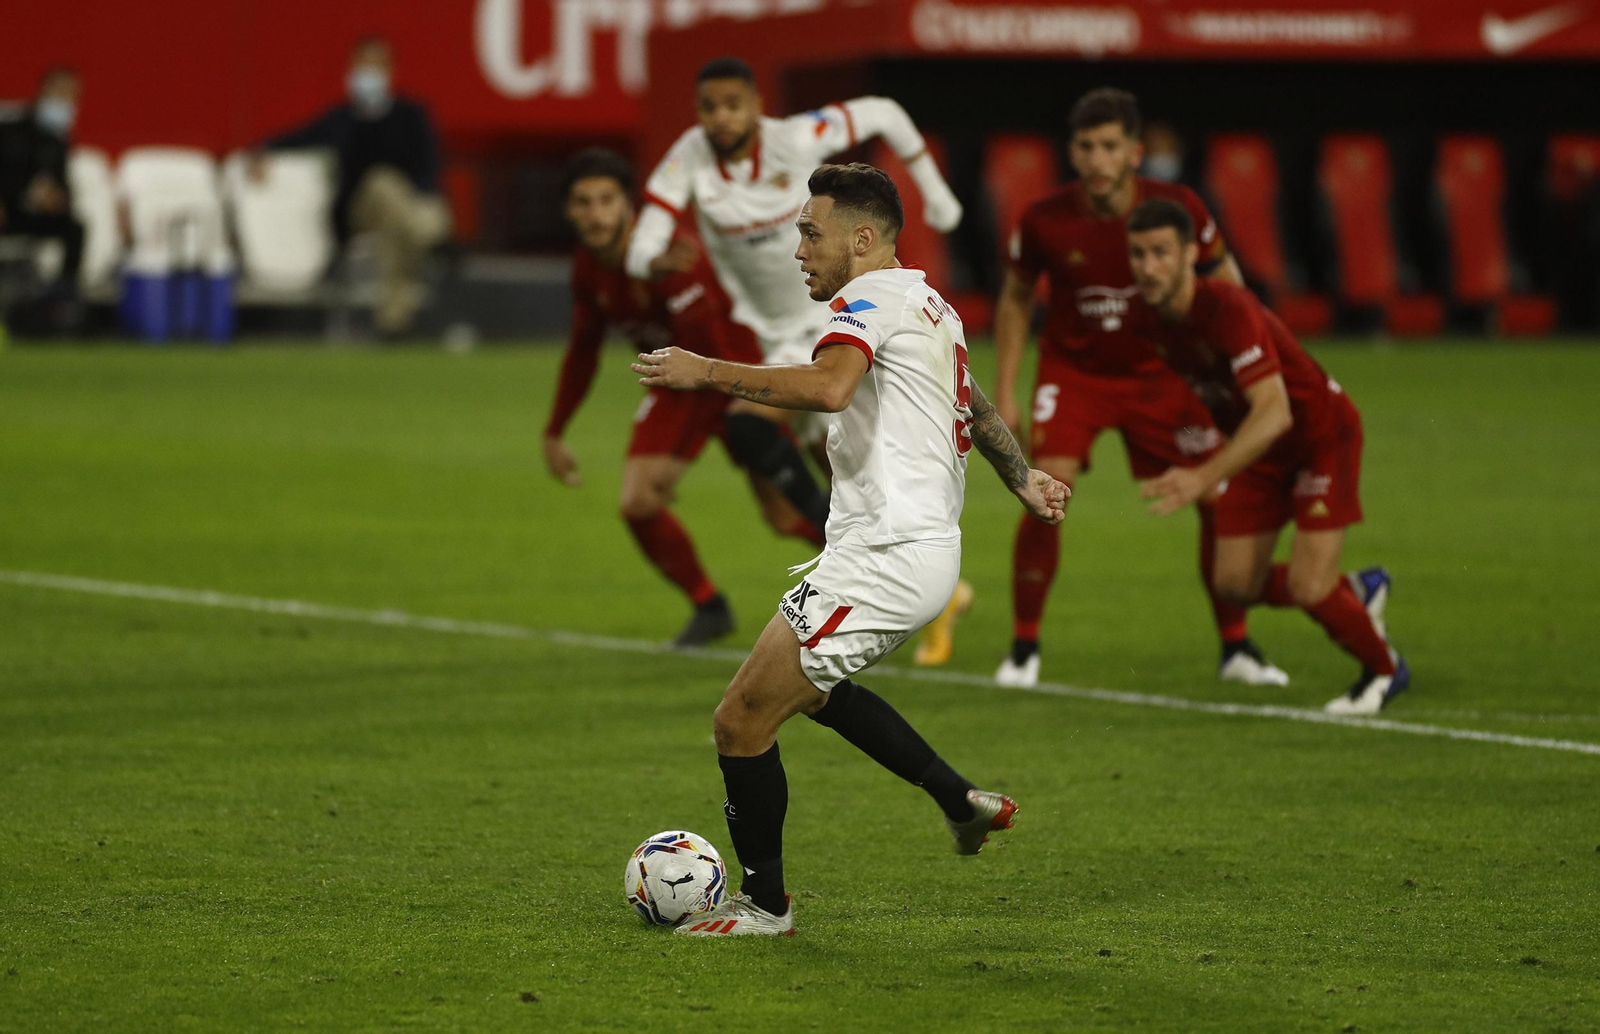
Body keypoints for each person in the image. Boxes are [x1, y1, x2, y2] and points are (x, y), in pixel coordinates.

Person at [632, 163, 1070, 936]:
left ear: (862, 240)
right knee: (816, 691)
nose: (798, 249)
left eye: (811, 232)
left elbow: (831, 388)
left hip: (888, 557)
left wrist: (704, 372)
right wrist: (1021, 476)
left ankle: (766, 906)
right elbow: (970, 402)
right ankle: (956, 797)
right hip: (890, 552)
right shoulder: (928, 303)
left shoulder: (869, 299)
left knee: (740, 720)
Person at [626, 56, 975, 667]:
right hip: (761, 337)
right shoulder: (691, 156)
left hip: (829, 322)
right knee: (819, 483)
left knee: (746, 427)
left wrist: (939, 198)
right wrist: (651, 260)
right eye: (709, 107)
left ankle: (854, 568)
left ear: (757, 104)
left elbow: (887, 112)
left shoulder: (798, 138)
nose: (722, 118)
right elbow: (643, 245)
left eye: (734, 104)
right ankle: (938, 594)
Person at [990, 87, 1286, 690]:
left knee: (1216, 494)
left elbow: (1225, 284)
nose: (1096, 158)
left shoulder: (1178, 208)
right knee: (1046, 491)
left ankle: (1237, 646)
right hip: (1076, 374)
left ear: (1135, 151)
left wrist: (1233, 369)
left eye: (1108, 146)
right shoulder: (1045, 218)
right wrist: (1007, 390)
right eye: (1085, 146)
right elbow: (1017, 299)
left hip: (1162, 374)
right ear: (1072, 152)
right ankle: (1023, 649)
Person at [1127, 198, 1405, 715]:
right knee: (1233, 583)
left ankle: (1384, 670)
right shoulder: (1148, 319)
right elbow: (1191, 395)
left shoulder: (1230, 308)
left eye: (1161, 252)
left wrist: (1204, 473)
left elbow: (1274, 412)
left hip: (1319, 437)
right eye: (1138, 254)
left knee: (1307, 585)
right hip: (1259, 452)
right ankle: (1357, 595)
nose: (1148, 266)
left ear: (1191, 254)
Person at [545, 148, 825, 647]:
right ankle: (708, 605)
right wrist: (555, 429)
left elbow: (706, 344)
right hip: (677, 382)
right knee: (638, 502)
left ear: (630, 206)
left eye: (606, 200)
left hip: (734, 377)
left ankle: (879, 574)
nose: (595, 213)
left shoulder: (678, 254)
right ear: (568, 211)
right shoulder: (589, 268)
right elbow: (583, 349)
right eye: (583, 203)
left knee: (787, 518)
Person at [252, 36, 448, 336]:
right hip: (357, 212)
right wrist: (263, 149)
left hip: (399, 211)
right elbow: (299, 138)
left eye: (376, 66)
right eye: (363, 66)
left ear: (390, 71)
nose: (369, 74)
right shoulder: (341, 118)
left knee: (395, 223)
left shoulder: (411, 116)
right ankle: (428, 233)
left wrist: (420, 194)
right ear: (352, 70)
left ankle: (394, 321)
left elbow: (429, 167)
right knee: (384, 185)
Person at [0, 66, 85, 326]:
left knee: (74, 228)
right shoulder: (10, 130)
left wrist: (58, 200)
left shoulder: (58, 142)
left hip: (32, 216)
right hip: (5, 209)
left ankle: (61, 301)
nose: (68, 104)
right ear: (44, 92)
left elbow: (63, 187)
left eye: (72, 98)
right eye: (63, 96)